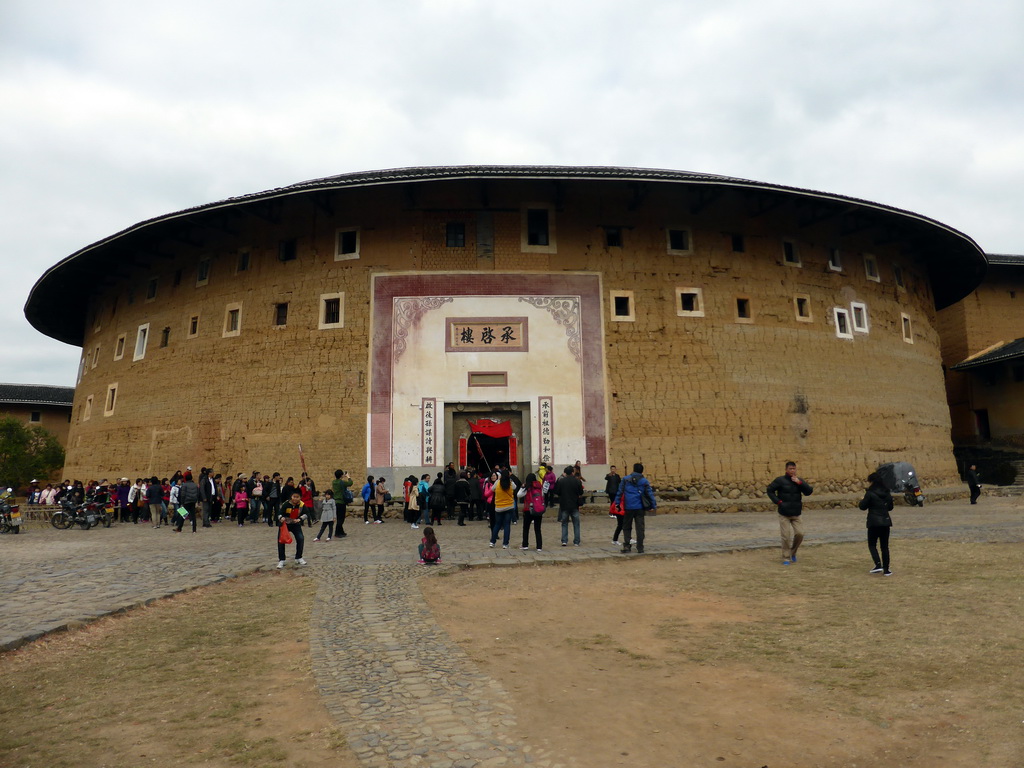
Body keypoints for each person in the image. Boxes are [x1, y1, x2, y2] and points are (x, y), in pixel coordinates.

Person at [766, 461, 813, 565]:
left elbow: (809, 492)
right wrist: (778, 502)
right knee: (786, 536)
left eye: (794, 469)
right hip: (784, 513)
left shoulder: (799, 481)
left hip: (796, 513)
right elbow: (770, 490)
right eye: (790, 469)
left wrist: (800, 483)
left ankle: (793, 552)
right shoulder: (780, 480)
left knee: (800, 533)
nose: (792, 471)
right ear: (786, 470)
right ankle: (786, 557)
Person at [615, 462, 656, 554]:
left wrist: (617, 504)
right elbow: (650, 494)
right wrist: (653, 505)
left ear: (633, 469)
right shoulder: (644, 481)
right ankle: (640, 547)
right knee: (640, 528)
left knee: (626, 527)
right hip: (639, 507)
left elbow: (619, 492)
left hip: (628, 506)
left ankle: (627, 546)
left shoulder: (625, 479)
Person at [859, 472, 894, 576]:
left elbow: (862, 507)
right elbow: (890, 507)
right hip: (885, 521)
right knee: (885, 547)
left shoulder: (870, 493)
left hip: (873, 522)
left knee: (872, 544)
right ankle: (886, 570)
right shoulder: (887, 492)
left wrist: (862, 500)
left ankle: (878, 564)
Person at [276, 490, 308, 568]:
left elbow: (306, 514)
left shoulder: (302, 505)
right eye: (294, 497)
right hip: (285, 525)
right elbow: (279, 513)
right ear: (291, 497)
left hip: (295, 524)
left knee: (300, 539)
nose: (295, 499)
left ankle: (299, 557)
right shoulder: (286, 504)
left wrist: (300, 519)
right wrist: (281, 518)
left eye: (297, 497)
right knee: (281, 541)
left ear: (300, 498)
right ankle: (282, 560)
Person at [554, 465, 584, 547]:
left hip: (564, 505)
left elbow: (557, 491)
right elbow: (581, 492)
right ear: (572, 472)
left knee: (564, 523)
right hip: (574, 505)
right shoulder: (577, 481)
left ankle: (564, 540)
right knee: (576, 524)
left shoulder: (561, 481)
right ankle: (576, 541)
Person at [488, 470, 518, 549]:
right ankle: (505, 544)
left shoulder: (497, 482)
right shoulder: (510, 483)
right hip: (509, 507)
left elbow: (492, 489)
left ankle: (492, 542)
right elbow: (515, 487)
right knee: (507, 525)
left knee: (497, 525)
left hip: (499, 507)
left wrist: (498, 480)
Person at [519, 472, 545, 551]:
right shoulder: (539, 487)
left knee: (526, 528)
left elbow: (518, 495)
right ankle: (539, 547)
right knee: (537, 529)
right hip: (538, 509)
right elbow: (543, 496)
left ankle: (525, 545)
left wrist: (522, 487)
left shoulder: (527, 487)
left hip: (528, 510)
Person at [331, 470, 352, 537]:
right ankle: (337, 532)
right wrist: (348, 477)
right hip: (341, 502)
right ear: (341, 475)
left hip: (336, 501)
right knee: (341, 518)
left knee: (339, 517)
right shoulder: (342, 482)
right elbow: (350, 483)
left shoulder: (334, 482)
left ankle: (341, 531)